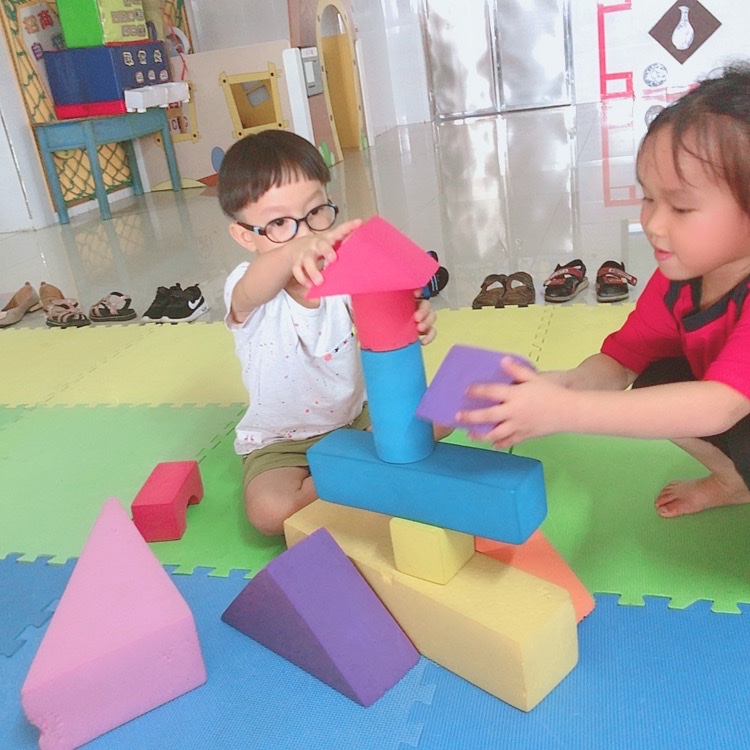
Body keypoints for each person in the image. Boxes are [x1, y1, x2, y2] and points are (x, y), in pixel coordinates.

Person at [458, 63, 750, 520]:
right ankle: (734, 482)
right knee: (658, 377)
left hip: (735, 408)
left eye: (680, 207)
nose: (652, 223)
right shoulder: (679, 280)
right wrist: (552, 387)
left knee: (708, 411)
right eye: (649, 198)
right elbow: (621, 361)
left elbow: (720, 406)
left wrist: (568, 411)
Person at [218, 129, 438, 535]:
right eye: (280, 223)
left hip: (356, 420)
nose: (306, 234)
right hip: (282, 442)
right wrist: (291, 254)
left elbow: (383, 318)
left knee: (436, 416)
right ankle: (356, 474)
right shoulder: (246, 287)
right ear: (245, 235)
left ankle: (353, 470)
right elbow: (255, 287)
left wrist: (412, 315)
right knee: (269, 511)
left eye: (316, 213)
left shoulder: (343, 274)